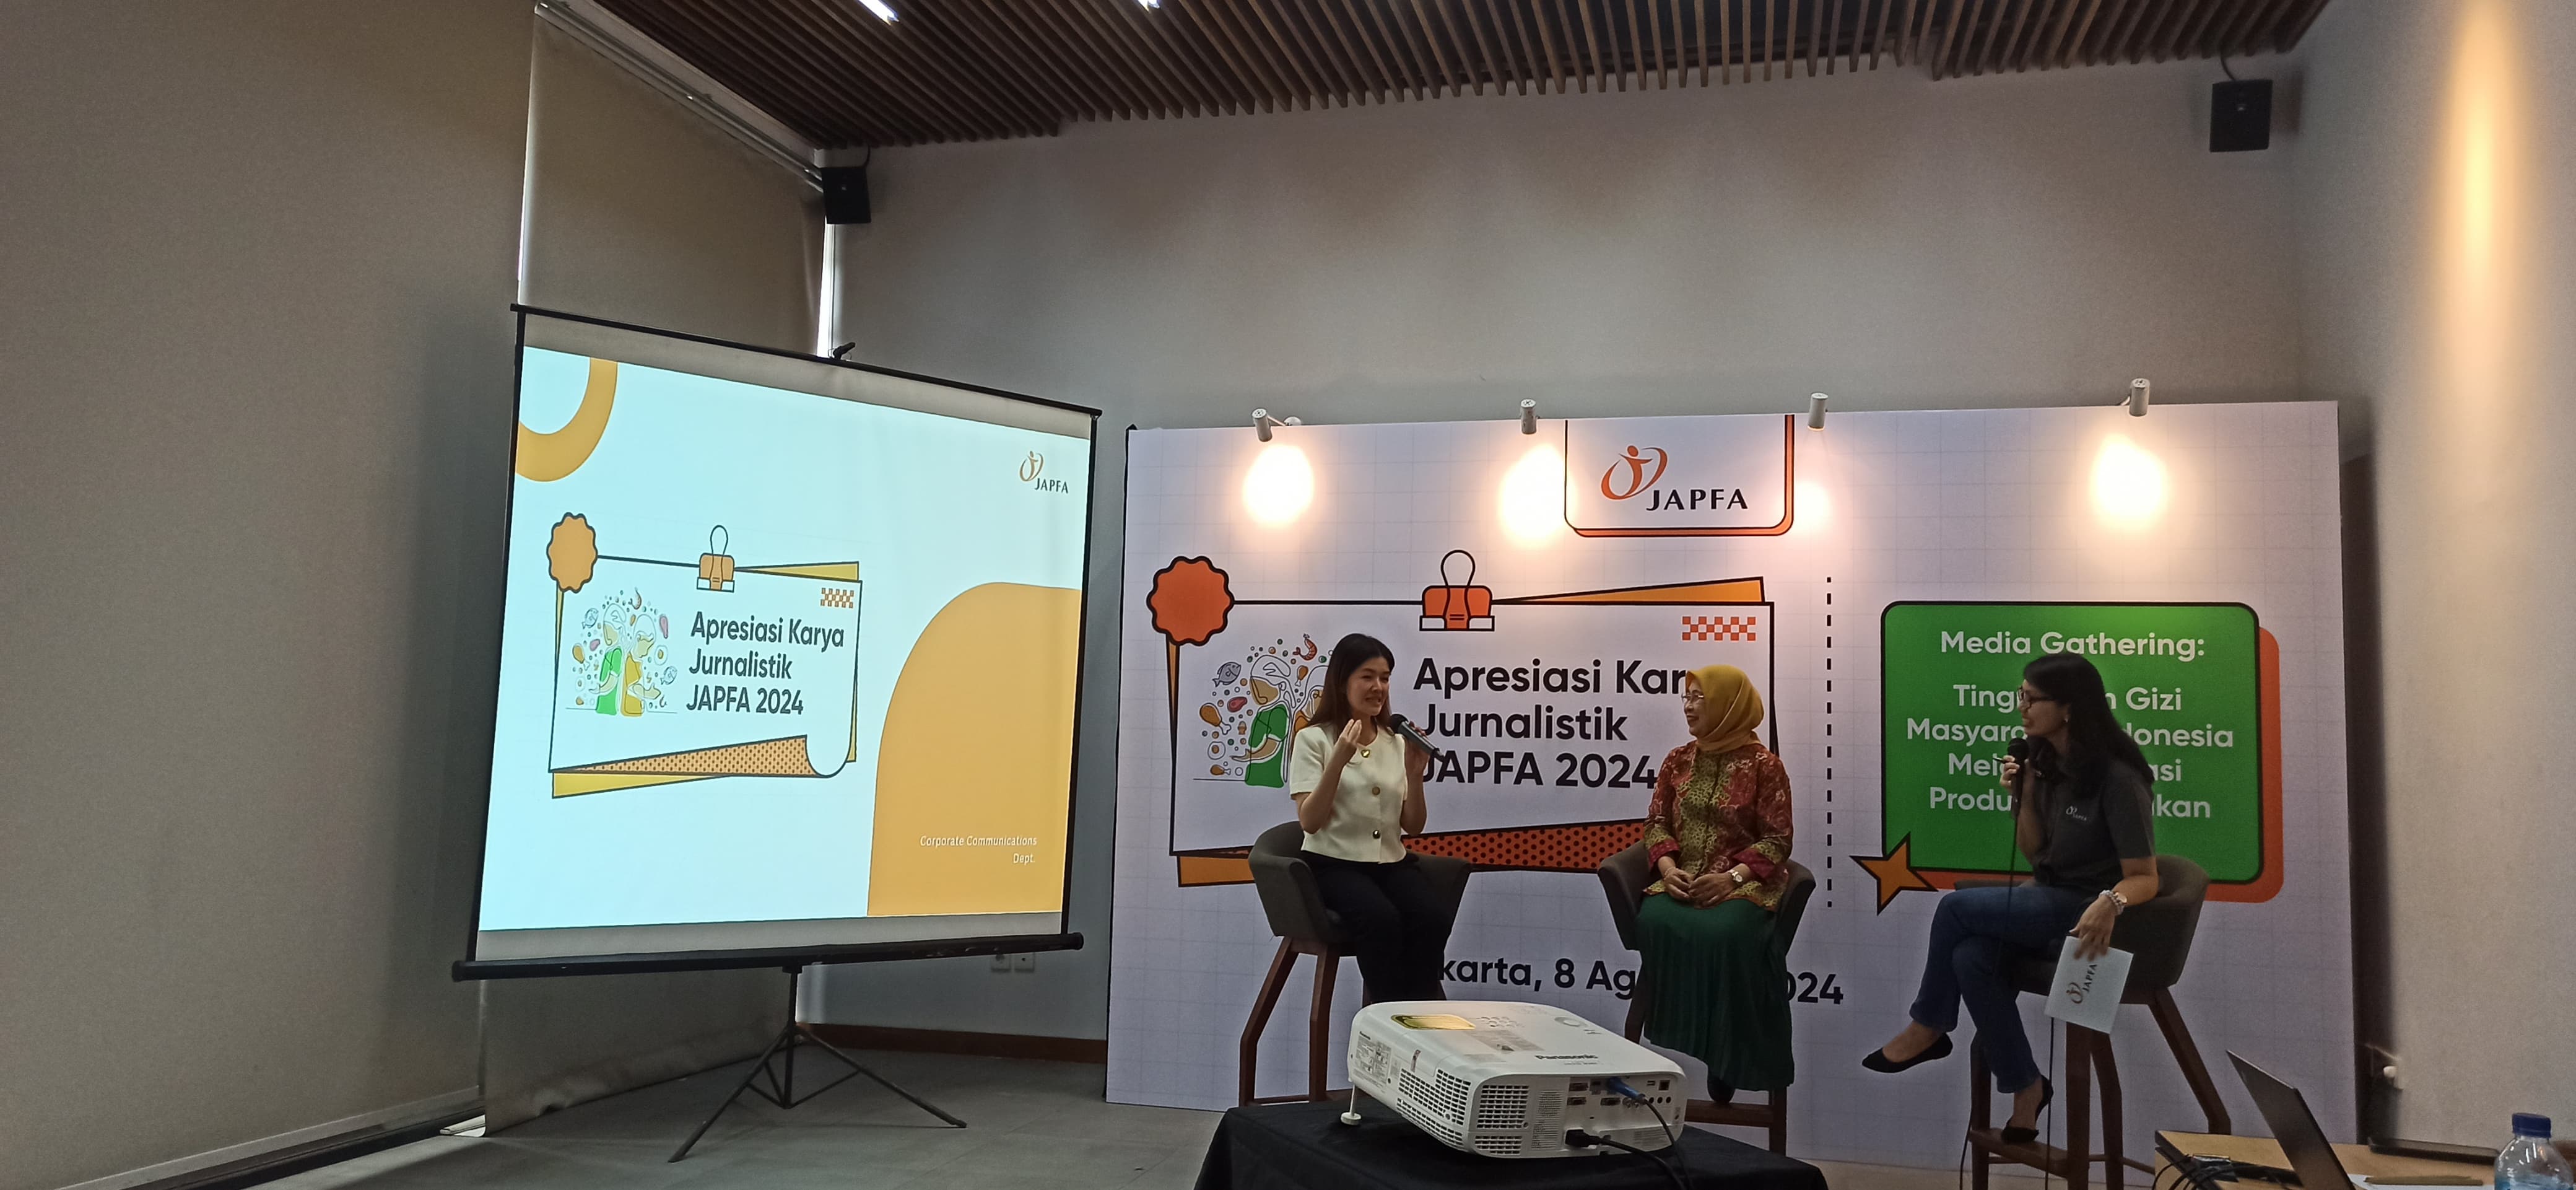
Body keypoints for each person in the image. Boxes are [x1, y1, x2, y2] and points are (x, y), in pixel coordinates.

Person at [1863, 652, 2160, 1144]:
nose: (2021, 707)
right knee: (1970, 956)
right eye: (2020, 695)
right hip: (2046, 893)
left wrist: (2111, 902)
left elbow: (2145, 877)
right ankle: (2027, 1086)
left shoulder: (2118, 778)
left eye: (2032, 698)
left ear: (2069, 707)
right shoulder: (2045, 763)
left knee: (1953, 908)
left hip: (2085, 908)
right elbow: (2034, 852)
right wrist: (2022, 796)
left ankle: (1929, 1026)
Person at [1632, 663, 1796, 1103]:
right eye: (1685, 698)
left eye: (1699, 698)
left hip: (1741, 884)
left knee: (1726, 933)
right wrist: (1668, 868)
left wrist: (1732, 877)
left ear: (1728, 704)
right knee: (1653, 920)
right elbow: (1656, 822)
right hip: (1682, 879)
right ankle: (1683, 1034)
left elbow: (1778, 839)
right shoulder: (1678, 759)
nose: (1688, 707)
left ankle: (1726, 1055)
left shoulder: (1765, 766)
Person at [1286, 633, 1448, 1003]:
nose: (1379, 687)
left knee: (1432, 916)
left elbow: (1414, 826)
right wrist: (1338, 760)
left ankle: (1420, 1013)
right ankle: (1388, 1017)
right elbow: (1310, 822)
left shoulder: (1396, 741)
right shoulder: (1314, 739)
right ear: (1342, 682)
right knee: (1380, 919)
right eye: (1368, 677)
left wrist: (1415, 775)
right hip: (1334, 863)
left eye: (1385, 678)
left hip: (1390, 863)